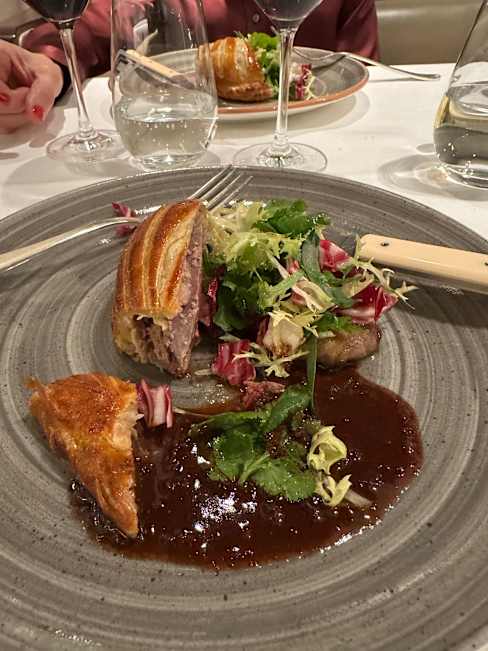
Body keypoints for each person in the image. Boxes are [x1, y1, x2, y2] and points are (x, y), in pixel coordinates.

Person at [0, 0, 378, 133]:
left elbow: (358, 68)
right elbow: (94, 22)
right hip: (193, 132)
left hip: (318, 134)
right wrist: (49, 63)